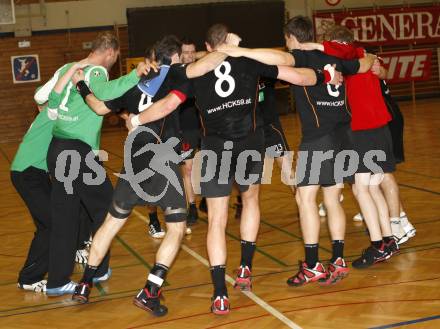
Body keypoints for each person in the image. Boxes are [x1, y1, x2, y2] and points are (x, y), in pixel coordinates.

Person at [126, 24, 343, 314]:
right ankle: (245, 269)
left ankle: (219, 293)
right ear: (231, 41)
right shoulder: (248, 60)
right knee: (250, 200)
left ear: (207, 46)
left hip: (216, 148)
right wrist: (326, 74)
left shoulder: (196, 71)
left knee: (216, 219)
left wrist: (138, 121)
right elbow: (295, 75)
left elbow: (166, 105)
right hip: (250, 144)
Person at [71, 34, 233, 317]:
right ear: (174, 58)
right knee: (177, 228)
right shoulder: (176, 75)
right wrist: (231, 47)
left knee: (111, 223)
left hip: (133, 162)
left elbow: (97, 107)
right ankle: (151, 290)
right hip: (161, 161)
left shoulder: (134, 82)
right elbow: (175, 99)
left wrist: (81, 85)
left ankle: (84, 284)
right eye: (182, 57)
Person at [216, 16, 378, 284]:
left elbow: (276, 59)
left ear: (290, 38)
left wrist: (240, 51)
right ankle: (337, 260)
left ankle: (313, 265)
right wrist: (363, 55)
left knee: (305, 199)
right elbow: (365, 63)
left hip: (319, 138)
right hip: (344, 135)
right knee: (332, 197)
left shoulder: (302, 56)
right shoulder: (335, 58)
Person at [44, 31, 150, 296]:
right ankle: (99, 267)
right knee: (106, 207)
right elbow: (104, 96)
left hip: (57, 149)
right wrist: (135, 75)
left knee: (65, 216)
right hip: (78, 154)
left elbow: (50, 101)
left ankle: (57, 281)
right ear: (111, 52)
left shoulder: (71, 68)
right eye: (115, 58)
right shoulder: (97, 72)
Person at [299, 25, 401, 267]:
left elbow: (341, 52)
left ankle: (378, 244)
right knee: (373, 187)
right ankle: (388, 240)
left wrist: (311, 46)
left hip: (364, 131)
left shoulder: (352, 57)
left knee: (360, 190)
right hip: (380, 129)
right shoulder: (363, 55)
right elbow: (379, 68)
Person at [11, 61, 91, 292]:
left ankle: (36, 272)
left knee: (53, 221)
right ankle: (28, 277)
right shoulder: (55, 112)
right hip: (27, 174)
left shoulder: (53, 113)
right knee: (53, 224)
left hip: (35, 174)